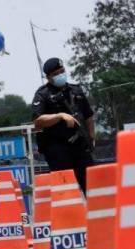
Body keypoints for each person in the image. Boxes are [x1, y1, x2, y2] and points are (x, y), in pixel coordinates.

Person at [32, 58, 95, 192]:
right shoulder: (42, 94)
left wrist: (91, 137)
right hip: (57, 149)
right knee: (65, 190)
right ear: (48, 77)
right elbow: (38, 120)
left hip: (80, 146)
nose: (61, 75)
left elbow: (88, 115)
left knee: (91, 186)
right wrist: (60, 116)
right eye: (56, 73)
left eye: (62, 71)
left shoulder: (76, 90)